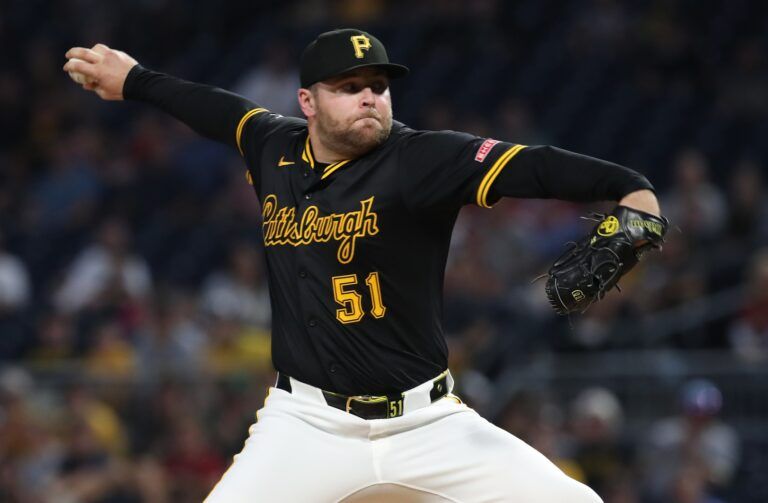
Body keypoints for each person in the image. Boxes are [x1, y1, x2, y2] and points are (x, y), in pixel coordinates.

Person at [64, 28, 663, 502]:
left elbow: (537, 165)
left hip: (427, 423)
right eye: (348, 86)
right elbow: (216, 110)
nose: (370, 97)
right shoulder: (273, 146)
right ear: (308, 102)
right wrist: (136, 79)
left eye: (378, 84)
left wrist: (632, 189)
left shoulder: (422, 158)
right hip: (306, 424)